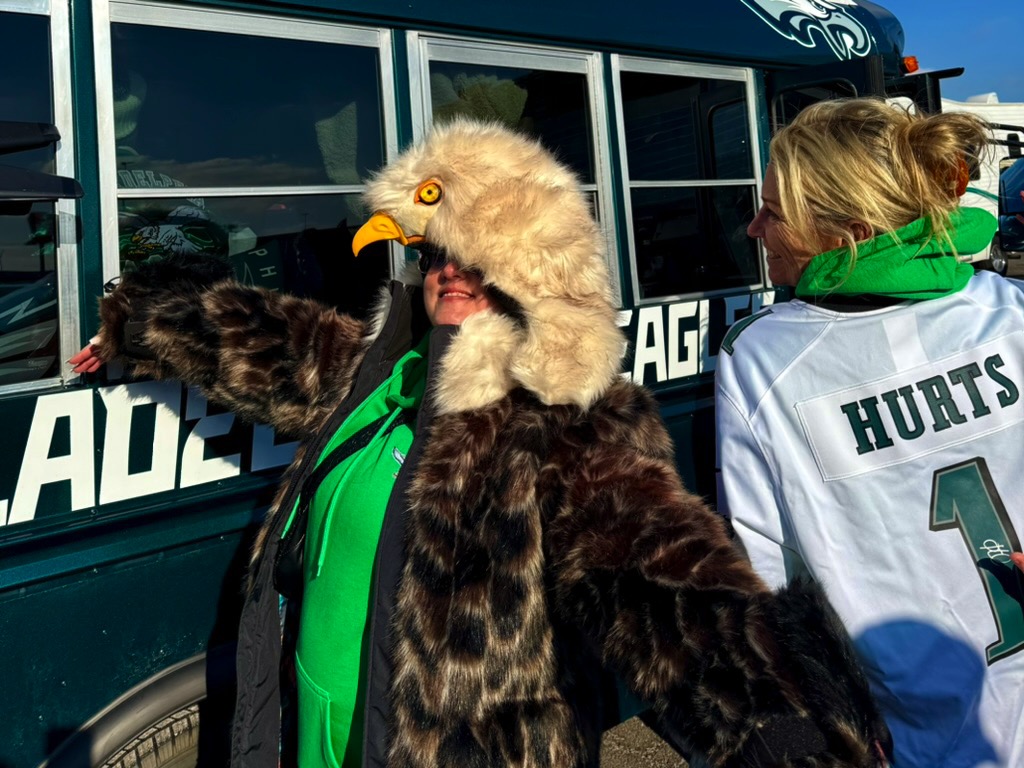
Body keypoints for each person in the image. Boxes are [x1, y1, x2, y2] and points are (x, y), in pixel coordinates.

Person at [72, 118, 891, 768]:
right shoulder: (378, 371)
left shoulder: (567, 422)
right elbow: (257, 341)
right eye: (436, 254)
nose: (452, 273)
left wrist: (792, 736)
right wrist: (132, 324)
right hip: (327, 741)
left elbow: (663, 581)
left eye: (481, 259)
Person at [715, 98, 1024, 768]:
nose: (754, 228)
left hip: (917, 736)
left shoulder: (761, 357)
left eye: (774, 212)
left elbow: (763, 576)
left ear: (847, 233)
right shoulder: (1010, 312)